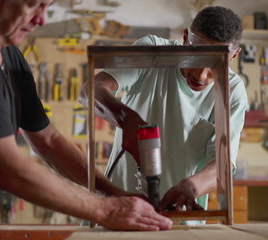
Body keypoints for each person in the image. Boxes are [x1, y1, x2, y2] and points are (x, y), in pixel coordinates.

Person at [0, 0, 172, 239]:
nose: (41, 20)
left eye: (46, 7)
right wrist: (106, 210)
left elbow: (48, 140)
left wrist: (112, 194)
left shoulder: (8, 53)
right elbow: (5, 167)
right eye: (33, 5)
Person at [79, 6, 247, 214]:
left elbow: (222, 165)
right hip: (118, 209)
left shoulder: (233, 90)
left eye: (215, 64)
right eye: (197, 57)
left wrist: (191, 187)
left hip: (180, 216)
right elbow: (90, 92)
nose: (202, 75)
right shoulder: (153, 52)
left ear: (234, 55)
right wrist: (126, 118)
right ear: (186, 38)